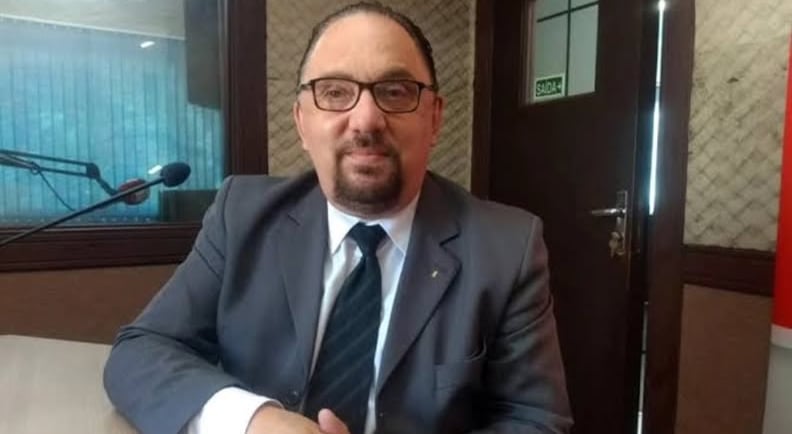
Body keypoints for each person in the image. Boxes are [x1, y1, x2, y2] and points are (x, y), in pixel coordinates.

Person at [103, 2, 572, 433]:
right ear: (301, 122)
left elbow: (536, 421)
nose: (366, 120)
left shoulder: (507, 247)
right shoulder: (242, 215)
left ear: (434, 118)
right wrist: (252, 420)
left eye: (395, 91)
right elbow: (141, 352)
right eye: (334, 92)